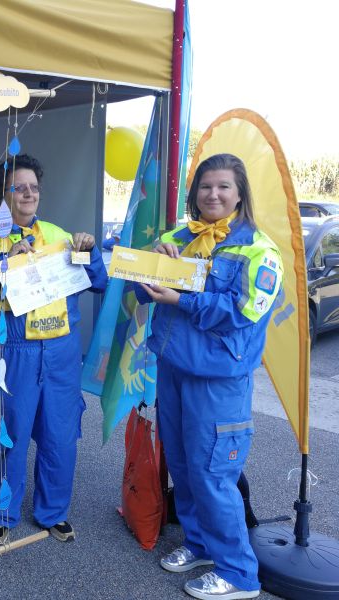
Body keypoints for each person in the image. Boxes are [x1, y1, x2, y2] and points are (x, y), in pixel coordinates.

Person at [136, 153, 282, 600]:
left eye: (223, 187)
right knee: (183, 468)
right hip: (173, 369)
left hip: (218, 381)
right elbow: (138, 283)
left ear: (240, 194)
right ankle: (199, 545)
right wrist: (151, 263)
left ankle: (239, 574)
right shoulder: (175, 238)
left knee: (213, 475)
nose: (212, 194)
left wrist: (181, 299)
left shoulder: (259, 250)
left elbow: (243, 312)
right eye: (205, 186)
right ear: (194, 192)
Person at [0, 154, 107, 545]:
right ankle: (2, 512)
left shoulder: (57, 234)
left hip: (61, 354)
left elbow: (97, 282)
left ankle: (54, 512)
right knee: (8, 438)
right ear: (1, 195)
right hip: (9, 354)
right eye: (19, 188)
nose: (29, 194)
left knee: (60, 438)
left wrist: (90, 251)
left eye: (34, 187)